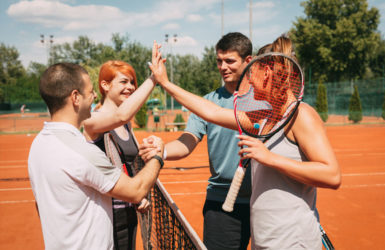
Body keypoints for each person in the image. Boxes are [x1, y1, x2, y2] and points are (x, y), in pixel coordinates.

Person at [147, 34, 341, 249]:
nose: (248, 81)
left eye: (252, 72)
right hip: (266, 239)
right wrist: (164, 83)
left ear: (266, 72)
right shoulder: (265, 116)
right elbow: (211, 112)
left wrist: (269, 158)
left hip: (292, 240)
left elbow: (332, 175)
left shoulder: (301, 114)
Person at [28, 62, 164, 250]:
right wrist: (158, 157)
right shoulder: (82, 152)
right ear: (75, 97)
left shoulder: (39, 144)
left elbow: (40, 205)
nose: (94, 96)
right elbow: (136, 190)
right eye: (91, 91)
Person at [143, 33, 253, 250]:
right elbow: (187, 141)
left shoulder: (266, 99)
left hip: (264, 200)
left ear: (248, 61)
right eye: (219, 61)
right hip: (222, 203)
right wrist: (162, 149)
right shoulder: (208, 102)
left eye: (230, 61)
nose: (223, 67)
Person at [82, 60, 156, 250]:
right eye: (124, 82)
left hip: (128, 212)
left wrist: (140, 196)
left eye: (132, 82)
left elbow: (130, 166)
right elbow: (121, 115)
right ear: (105, 85)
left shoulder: (126, 125)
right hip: (105, 215)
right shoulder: (92, 120)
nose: (130, 87)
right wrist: (154, 78)